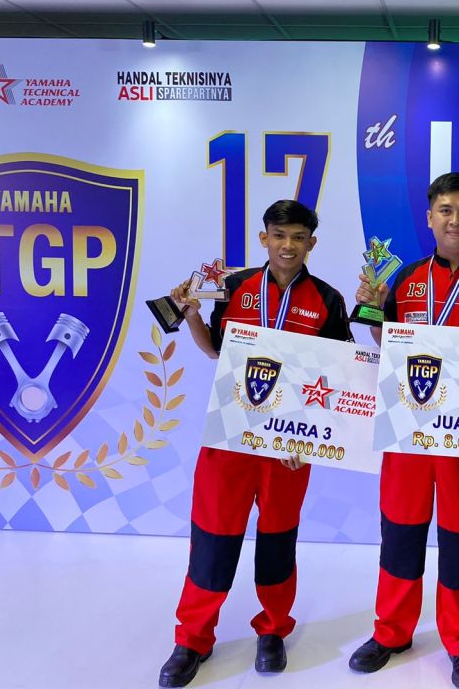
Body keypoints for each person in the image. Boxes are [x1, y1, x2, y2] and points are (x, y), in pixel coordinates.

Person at [158, 200, 353, 688]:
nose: (288, 245)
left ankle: (272, 629)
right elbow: (214, 350)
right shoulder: (233, 286)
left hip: (289, 449)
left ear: (312, 243)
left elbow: (340, 376)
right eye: (279, 235)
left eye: (298, 237)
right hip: (230, 436)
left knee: (277, 541)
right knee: (212, 537)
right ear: (264, 238)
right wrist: (192, 315)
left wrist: (309, 438)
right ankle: (192, 638)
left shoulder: (328, 300)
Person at [348, 172, 459, 689]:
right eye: (445, 210)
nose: (455, 220)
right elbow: (386, 344)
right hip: (408, 430)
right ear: (430, 218)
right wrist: (372, 311)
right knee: (400, 533)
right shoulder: (405, 279)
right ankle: (391, 632)